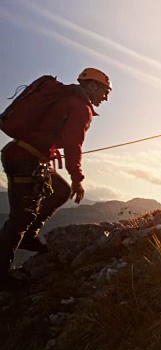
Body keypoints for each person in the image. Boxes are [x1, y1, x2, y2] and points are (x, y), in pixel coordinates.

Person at [0, 68, 111, 290]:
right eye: (104, 91)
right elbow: (73, 144)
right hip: (25, 160)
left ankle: (30, 236)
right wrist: (77, 178)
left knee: (59, 190)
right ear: (92, 86)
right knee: (20, 217)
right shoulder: (80, 107)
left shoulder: (67, 98)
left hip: (24, 156)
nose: (105, 97)